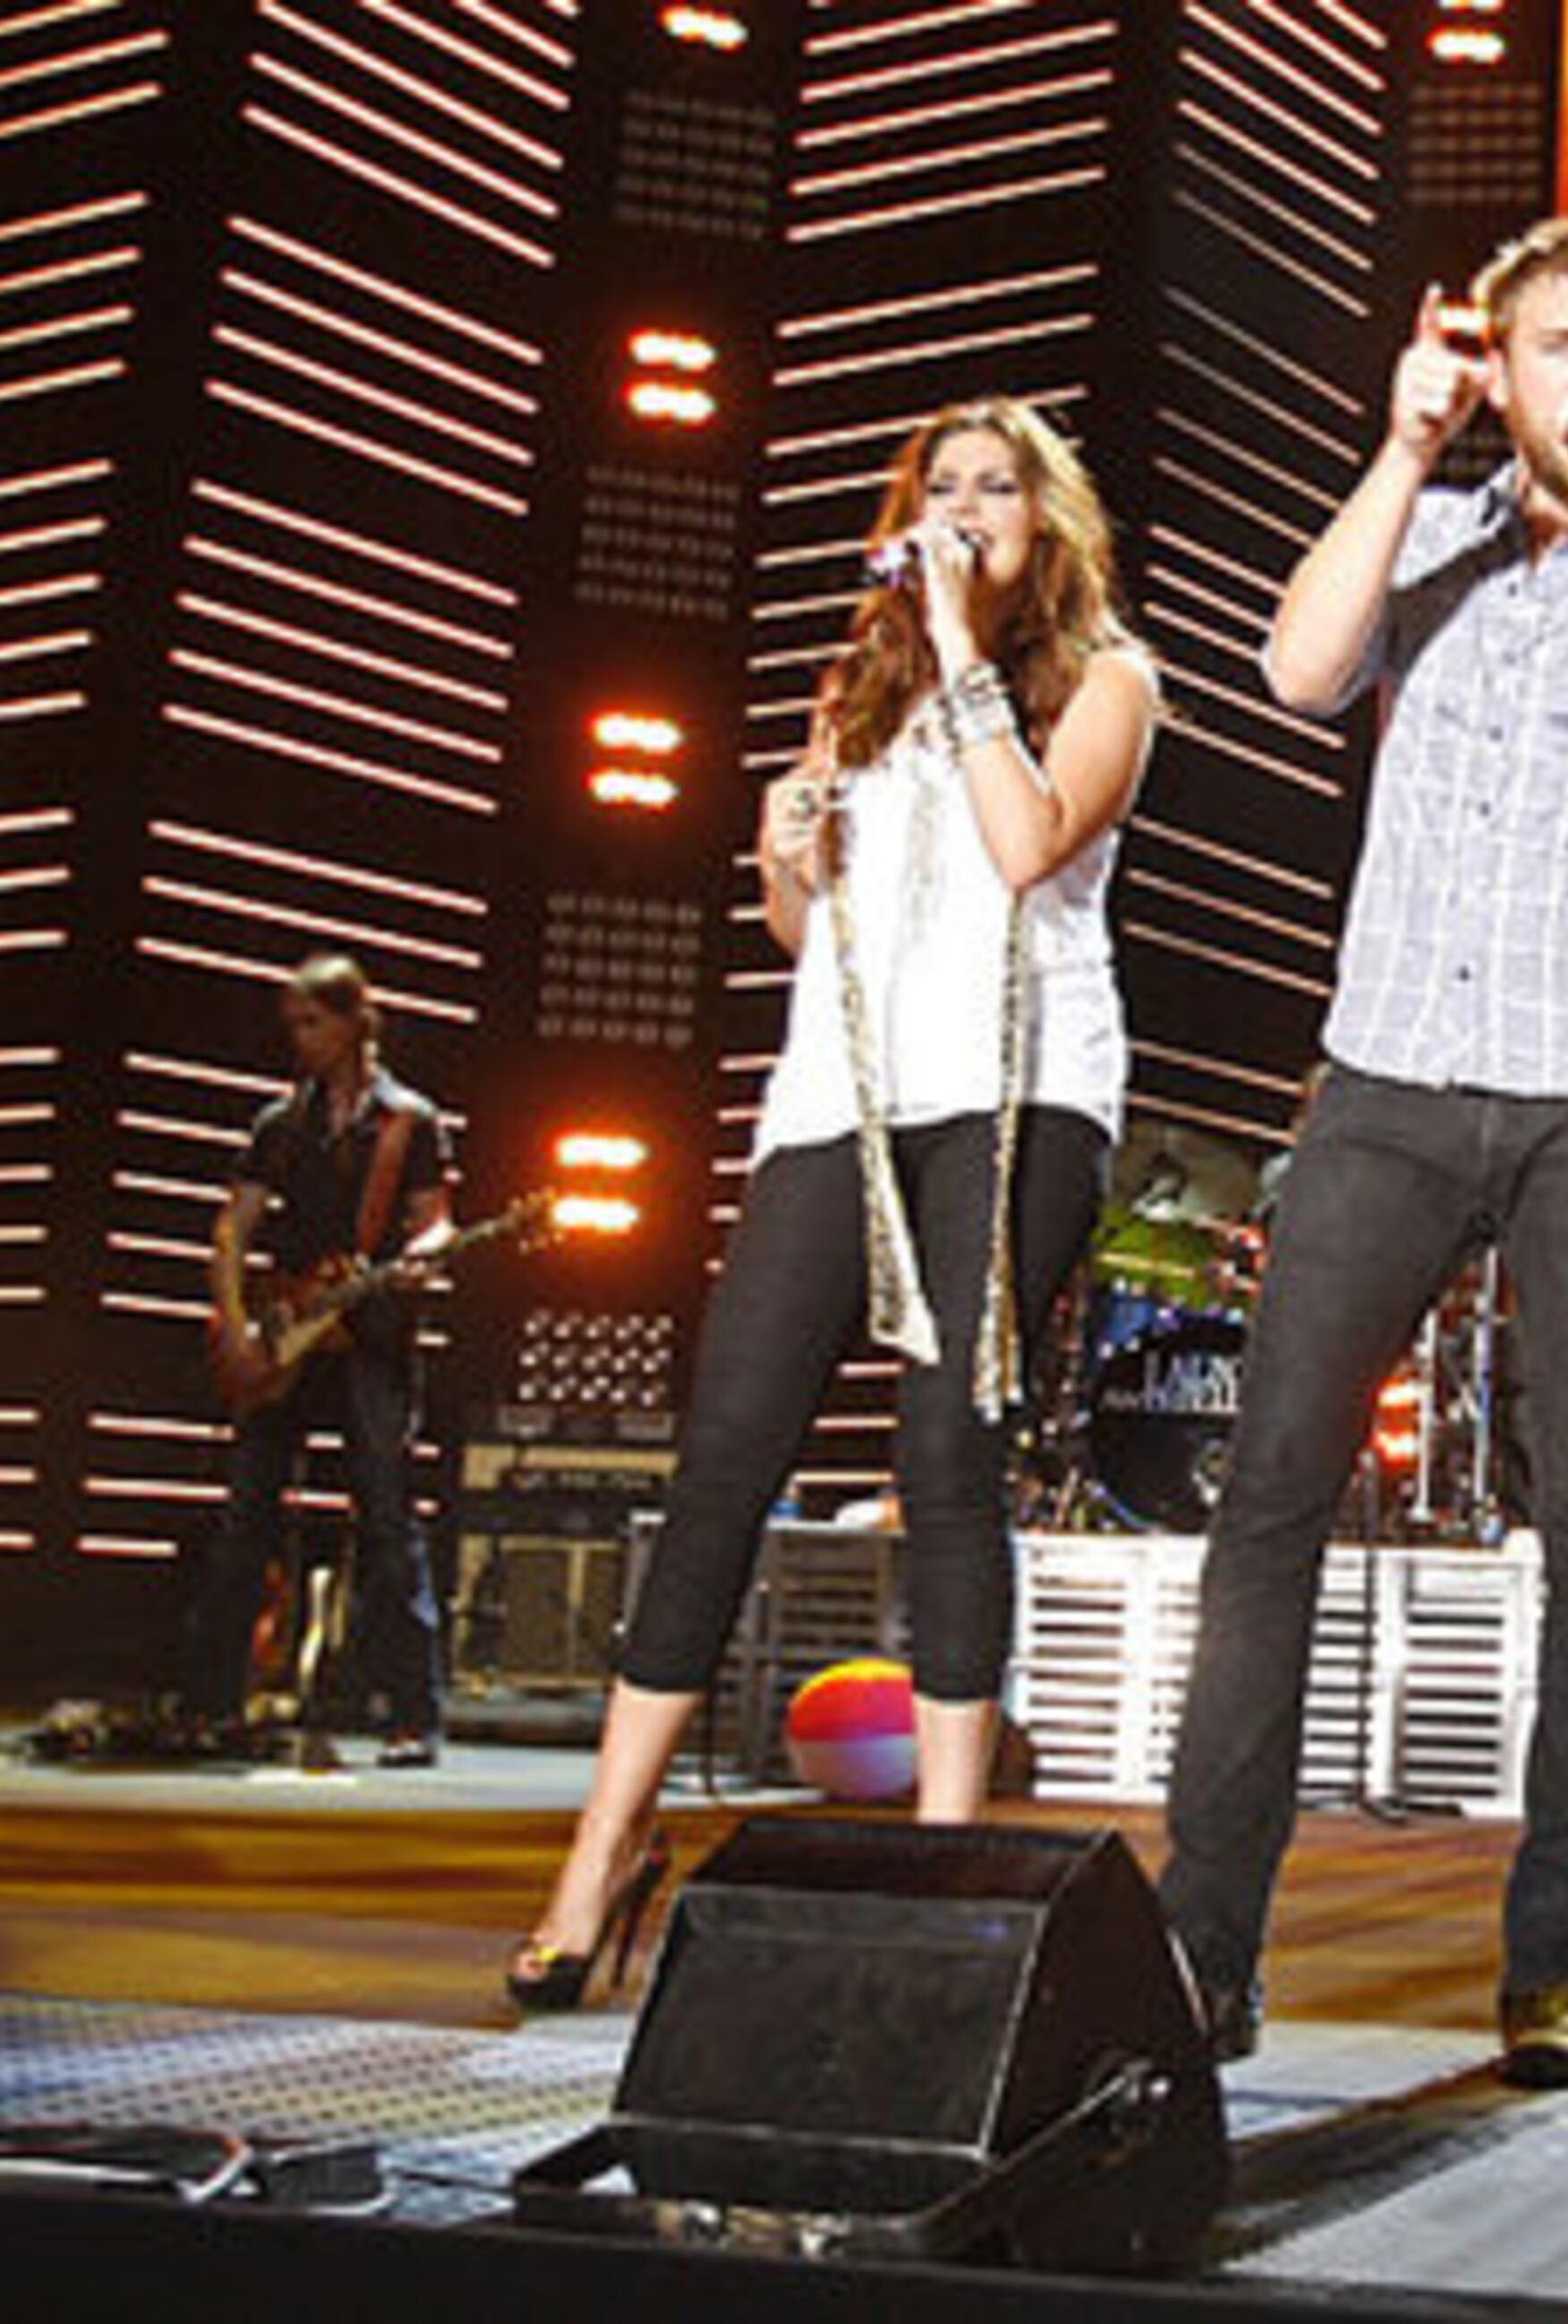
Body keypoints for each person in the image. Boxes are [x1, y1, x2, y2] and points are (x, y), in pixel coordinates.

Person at [1157, 213, 1568, 2088]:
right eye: (1557, 345)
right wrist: (1403, 447)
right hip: (1395, 1078)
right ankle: (1205, 1949)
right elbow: (1295, 669)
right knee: (1272, 1492)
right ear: (1497, 367)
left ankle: (1555, 1959)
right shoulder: (1419, 531)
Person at [507, 397, 1157, 2010]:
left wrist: (962, 650)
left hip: (1019, 1087)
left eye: (996, 488)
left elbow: (1026, 847)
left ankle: (944, 1861)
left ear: (1046, 517)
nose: (965, 511)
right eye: (941, 489)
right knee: (728, 1453)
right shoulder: (854, 684)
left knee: (946, 1449)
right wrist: (782, 856)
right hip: (840, 1097)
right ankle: (602, 1848)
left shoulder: (1108, 680)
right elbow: (817, 938)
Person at [184, 953, 456, 1762]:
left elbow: (436, 1222)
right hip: (286, 1335)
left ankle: (411, 1716)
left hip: (369, 1338)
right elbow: (233, 1228)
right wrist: (237, 1326)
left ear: (353, 1022)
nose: (300, 1039)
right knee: (245, 1519)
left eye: (312, 1022)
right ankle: (210, 1705)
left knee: (387, 1520)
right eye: (293, 1025)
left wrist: (423, 1258)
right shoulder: (281, 1123)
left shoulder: (409, 1121)